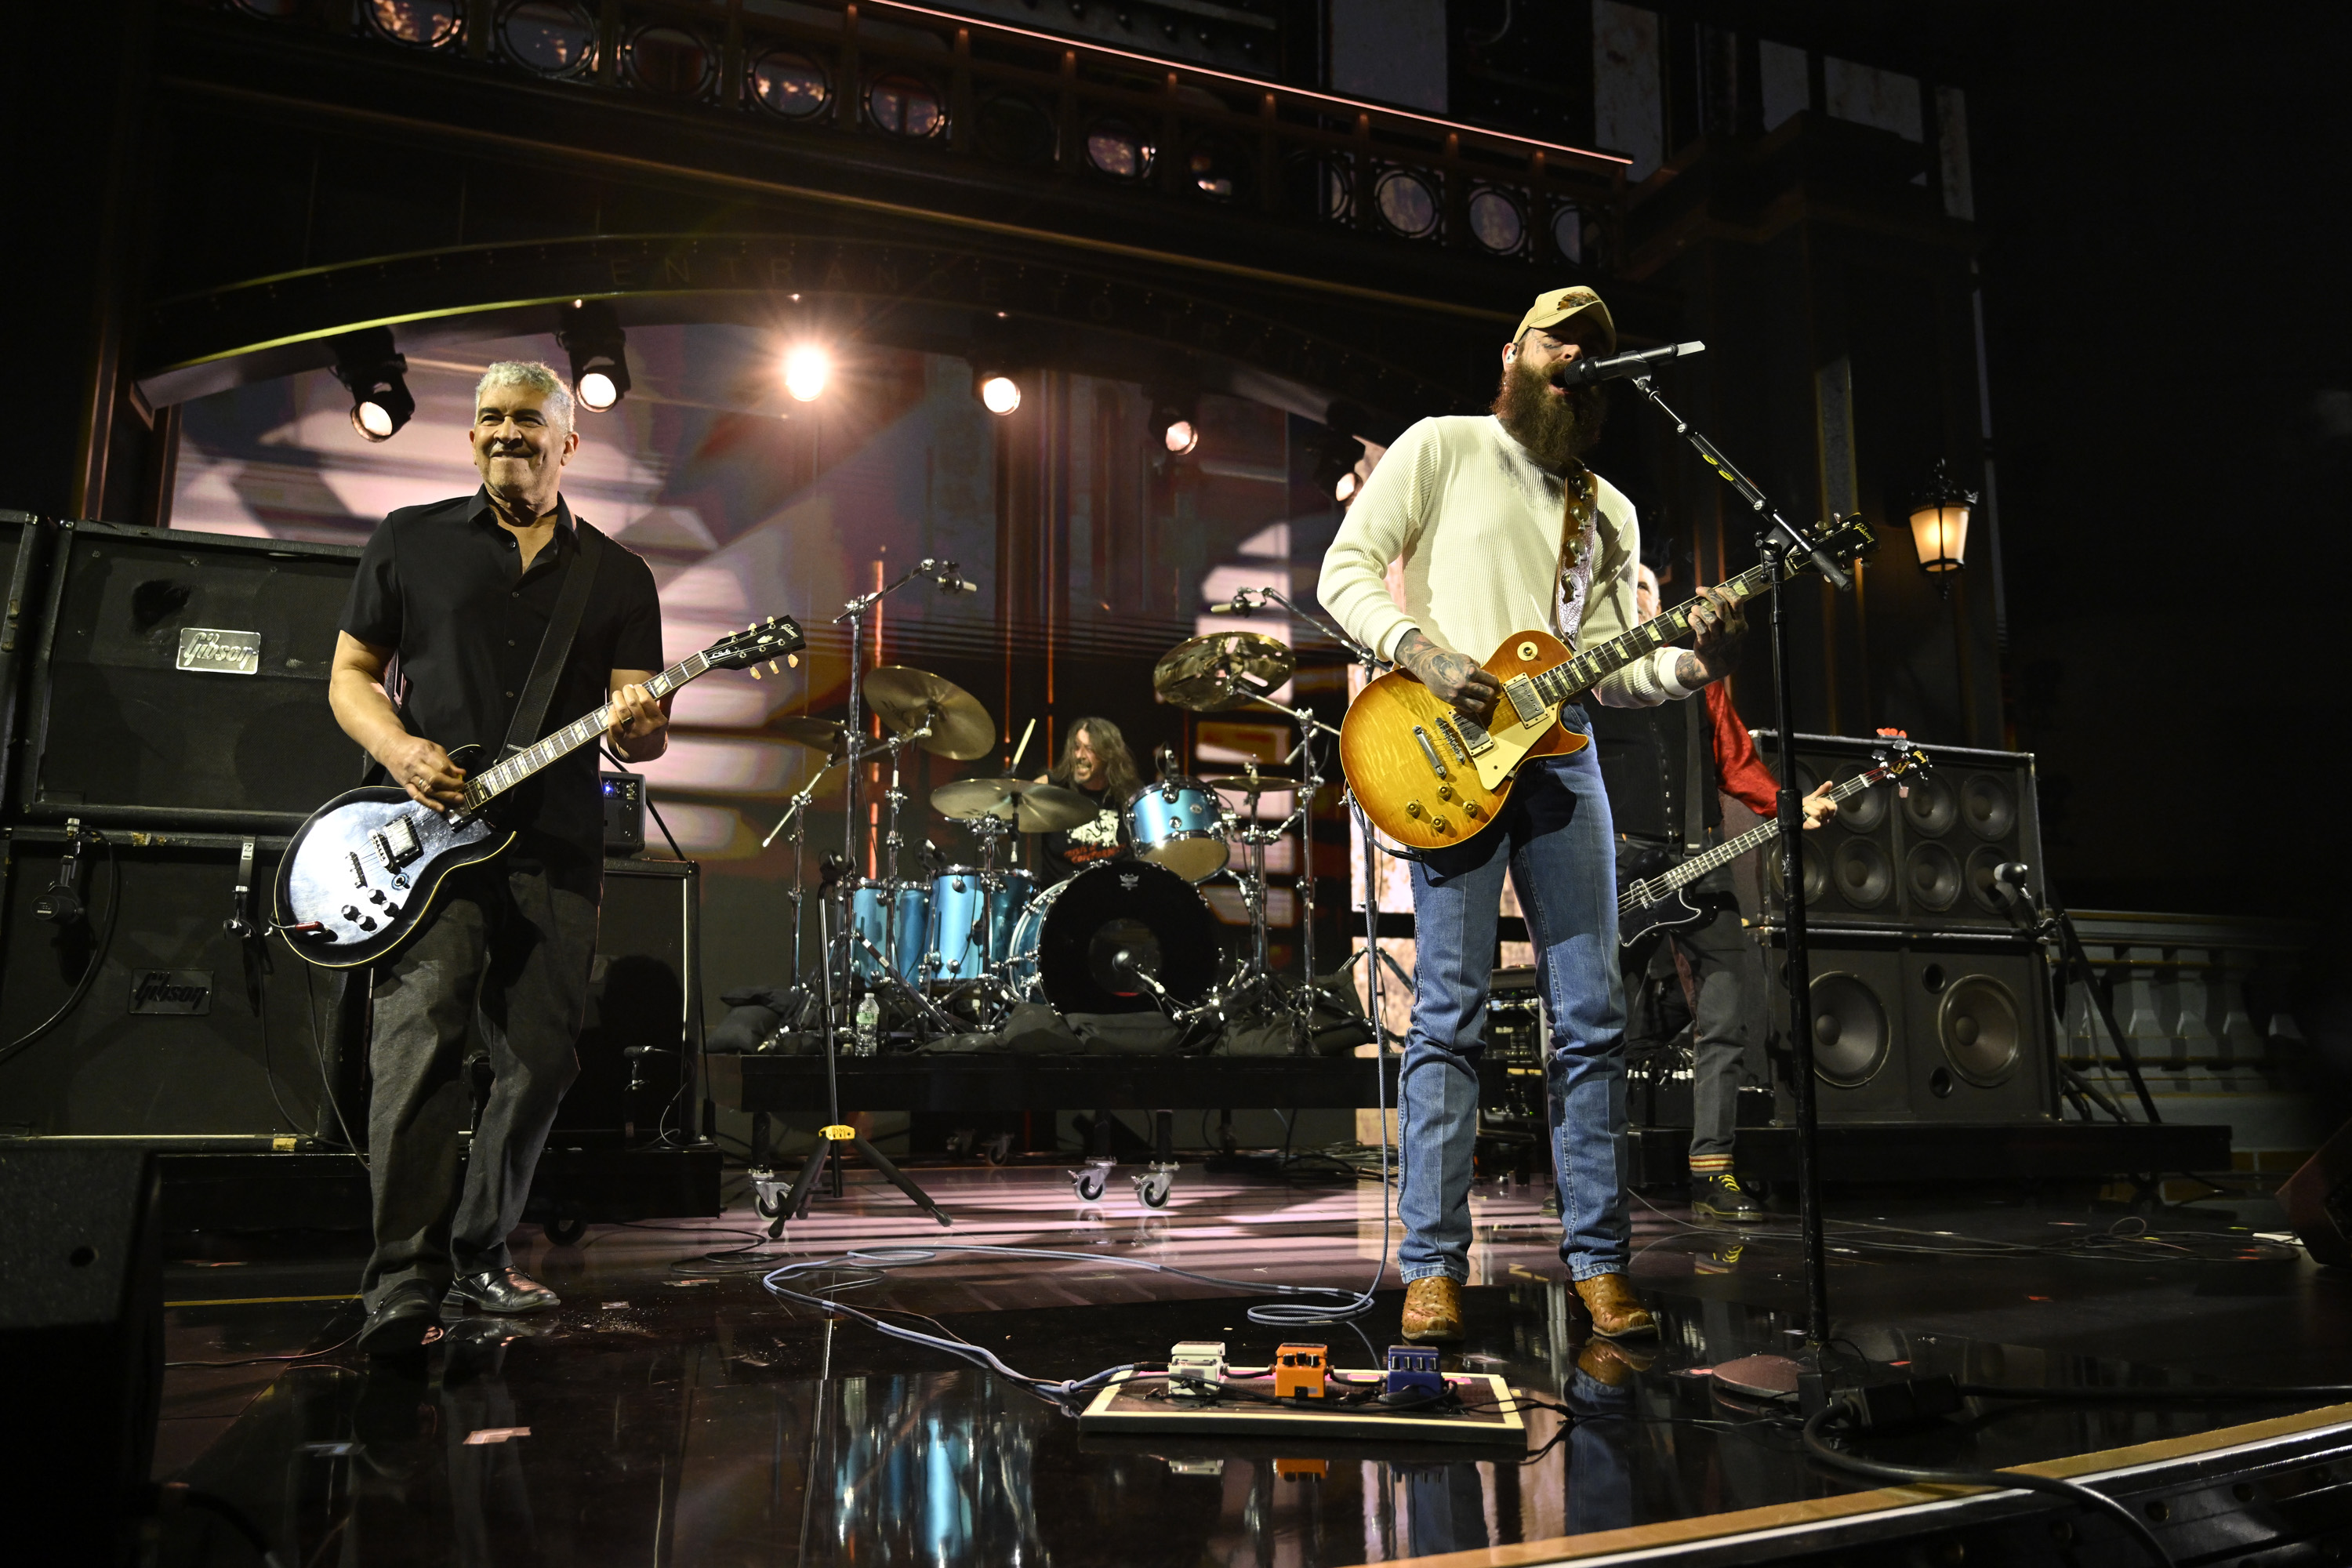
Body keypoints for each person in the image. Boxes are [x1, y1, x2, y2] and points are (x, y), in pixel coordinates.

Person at [1317, 285, 1749, 1344]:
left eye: (1594, 349)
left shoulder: (1605, 511)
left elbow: (1615, 669)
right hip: (1448, 756)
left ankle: (1600, 1261)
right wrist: (1423, 651)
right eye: (1559, 338)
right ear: (1514, 349)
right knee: (1451, 1016)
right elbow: (1345, 572)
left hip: (1565, 767)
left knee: (1593, 1019)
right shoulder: (1441, 446)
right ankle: (1432, 1266)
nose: (1575, 357)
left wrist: (1693, 658)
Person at [331, 361, 669, 1353]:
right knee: (420, 1042)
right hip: (430, 844)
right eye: (489, 419)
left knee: (543, 1061)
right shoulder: (409, 540)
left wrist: (645, 722)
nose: (505, 433)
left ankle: (479, 1247)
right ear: (468, 435)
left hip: (557, 842)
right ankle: (402, 1281)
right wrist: (398, 750)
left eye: (527, 419)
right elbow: (352, 674)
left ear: (570, 441)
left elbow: (637, 728)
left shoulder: (618, 574)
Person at [1591, 561, 1835, 1224]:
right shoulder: (1586, 677)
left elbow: (1735, 761)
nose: (1639, 600)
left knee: (1729, 1009)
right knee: (1601, 1026)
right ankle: (1591, 1178)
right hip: (1617, 869)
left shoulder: (1697, 680)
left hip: (1700, 861)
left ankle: (1713, 1171)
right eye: (1627, 592)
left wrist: (1788, 803)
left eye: (1647, 590)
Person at [1036, 717, 1141, 883]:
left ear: (1108, 754)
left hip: (1116, 894)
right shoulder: (1050, 788)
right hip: (1062, 899)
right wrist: (1008, 800)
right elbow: (1006, 821)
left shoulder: (1129, 795)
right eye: (1076, 747)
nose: (1079, 755)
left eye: (1089, 749)